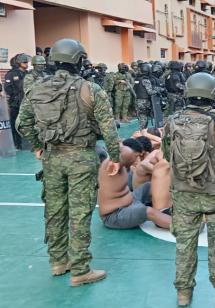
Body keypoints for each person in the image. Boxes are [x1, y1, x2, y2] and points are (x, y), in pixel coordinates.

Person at [16, 38, 121, 286]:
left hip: (52, 158)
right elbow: (109, 131)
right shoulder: (91, 89)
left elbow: (22, 124)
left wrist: (38, 145)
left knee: (54, 210)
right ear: (79, 60)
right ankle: (80, 269)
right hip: (82, 158)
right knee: (80, 212)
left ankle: (58, 262)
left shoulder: (37, 87)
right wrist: (115, 157)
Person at [162, 73, 215, 306]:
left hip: (183, 192)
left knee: (184, 244)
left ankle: (183, 294)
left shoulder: (173, 119)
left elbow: (165, 153)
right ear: (213, 92)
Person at [98, 139, 171, 229]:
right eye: (135, 157)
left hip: (132, 200)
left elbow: (122, 148)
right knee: (148, 212)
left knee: (149, 185)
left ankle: (166, 210)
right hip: (114, 215)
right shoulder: (110, 166)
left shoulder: (122, 164)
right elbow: (124, 151)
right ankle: (182, 227)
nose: (137, 160)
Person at [5, 53, 29, 150]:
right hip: (16, 104)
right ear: (19, 63)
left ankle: (26, 144)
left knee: (26, 123)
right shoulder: (11, 74)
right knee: (15, 124)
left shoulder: (27, 74)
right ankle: (17, 144)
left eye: (27, 62)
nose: (27, 64)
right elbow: (7, 88)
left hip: (27, 103)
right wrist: (16, 95)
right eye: (24, 62)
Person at [133, 63, 157, 129]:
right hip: (144, 102)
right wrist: (158, 90)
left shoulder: (137, 79)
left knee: (141, 118)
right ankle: (141, 134)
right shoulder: (145, 80)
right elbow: (150, 92)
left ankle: (142, 132)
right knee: (144, 119)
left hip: (137, 100)